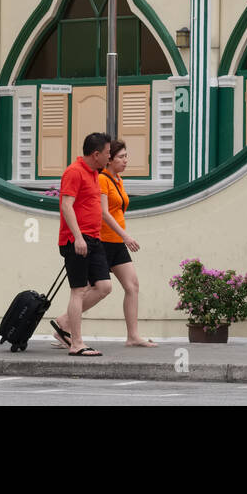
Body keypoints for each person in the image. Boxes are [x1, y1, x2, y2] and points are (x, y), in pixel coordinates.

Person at [53, 132, 113, 357]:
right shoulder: (74, 172)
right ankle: (76, 343)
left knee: (104, 286)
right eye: (108, 153)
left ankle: (64, 322)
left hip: (94, 239)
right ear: (96, 154)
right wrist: (77, 237)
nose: (110, 157)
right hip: (75, 239)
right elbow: (67, 206)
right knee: (78, 290)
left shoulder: (95, 173)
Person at [98, 139, 157, 348]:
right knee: (92, 289)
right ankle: (64, 324)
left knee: (132, 286)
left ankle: (133, 336)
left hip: (116, 243)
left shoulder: (118, 180)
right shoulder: (102, 180)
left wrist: (121, 237)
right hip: (104, 242)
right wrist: (125, 235)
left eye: (126, 156)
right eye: (121, 157)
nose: (125, 160)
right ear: (109, 159)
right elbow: (104, 213)